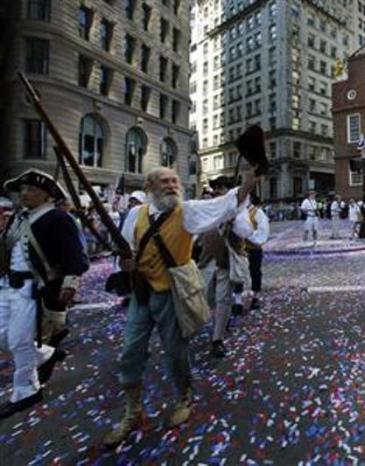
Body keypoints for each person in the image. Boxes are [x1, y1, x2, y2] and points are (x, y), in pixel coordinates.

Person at [104, 167, 259, 448]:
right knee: (130, 352)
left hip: (171, 293)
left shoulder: (187, 211)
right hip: (142, 293)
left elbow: (224, 205)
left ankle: (184, 396)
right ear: (151, 186)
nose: (172, 185)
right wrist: (126, 265)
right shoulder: (135, 217)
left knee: (176, 350)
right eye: (165, 181)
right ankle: (132, 411)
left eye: (175, 181)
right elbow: (126, 251)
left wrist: (249, 182)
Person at [0, 169, 88, 419]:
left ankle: (26, 391)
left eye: (32, 190)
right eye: (23, 190)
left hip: (34, 290)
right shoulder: (19, 217)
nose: (25, 194)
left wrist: (70, 283)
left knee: (18, 341)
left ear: (47, 196)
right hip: (8, 284)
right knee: (6, 337)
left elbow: (74, 256)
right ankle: (47, 353)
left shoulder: (58, 219)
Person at [197, 176, 248, 358]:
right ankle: (221, 318)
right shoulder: (208, 209)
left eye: (221, 188)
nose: (217, 191)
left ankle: (217, 340)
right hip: (208, 261)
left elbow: (246, 232)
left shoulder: (239, 212)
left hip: (227, 261)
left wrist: (233, 223)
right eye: (216, 188)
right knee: (207, 298)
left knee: (222, 299)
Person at [246, 193, 270, 310]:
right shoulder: (236, 212)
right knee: (237, 274)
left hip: (253, 249)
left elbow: (262, 231)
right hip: (238, 249)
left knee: (255, 272)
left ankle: (256, 297)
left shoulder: (257, 213)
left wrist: (247, 235)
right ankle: (238, 299)